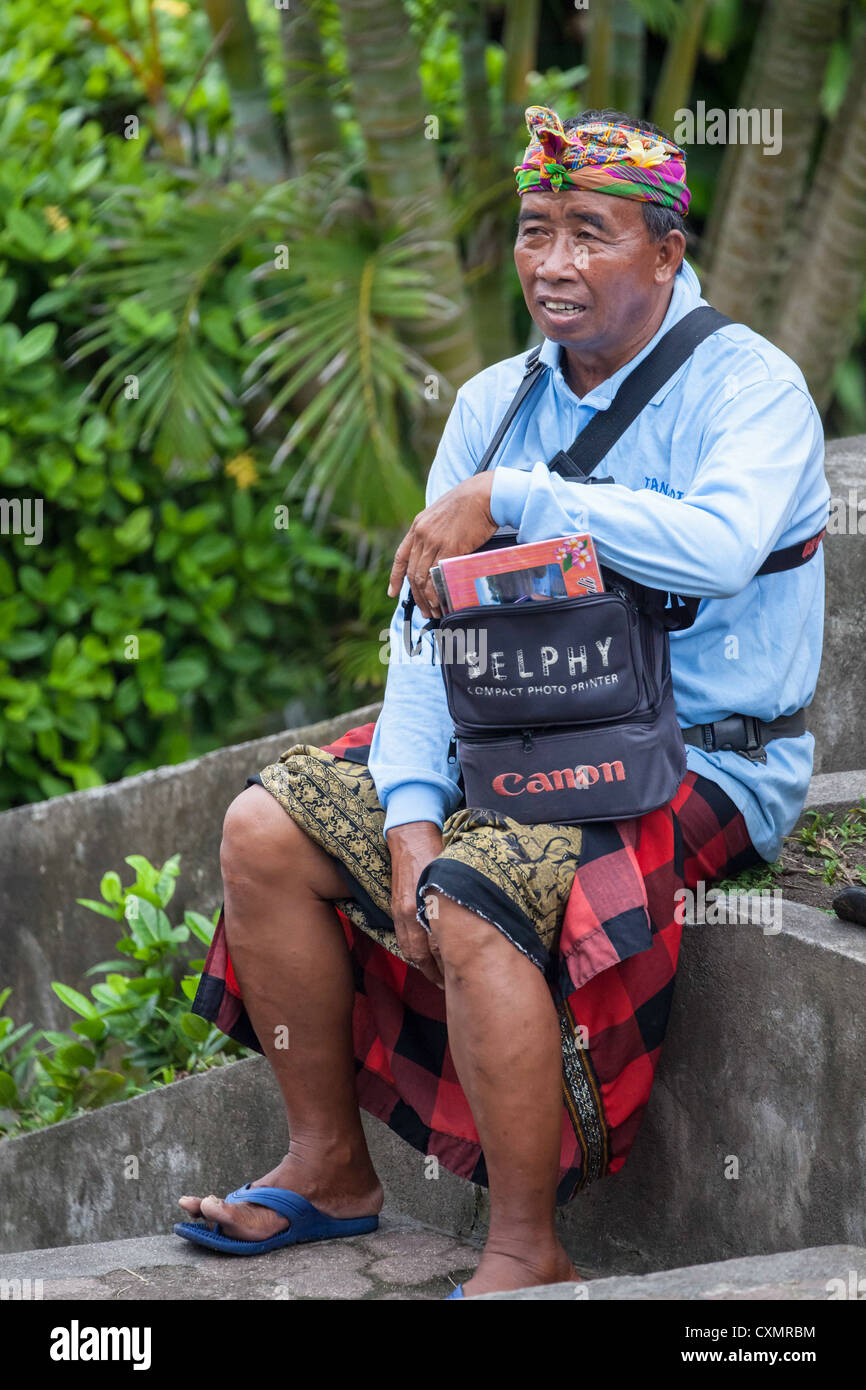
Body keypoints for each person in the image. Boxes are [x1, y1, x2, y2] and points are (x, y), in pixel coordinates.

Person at [176, 105, 829, 1298]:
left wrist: (518, 498)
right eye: (536, 231)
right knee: (265, 829)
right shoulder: (492, 402)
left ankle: (525, 1249)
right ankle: (329, 1170)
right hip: (508, 726)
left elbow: (720, 547)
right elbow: (427, 631)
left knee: (478, 896)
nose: (553, 263)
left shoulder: (750, 388)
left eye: (591, 231)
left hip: (697, 758)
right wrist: (412, 816)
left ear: (666, 251)